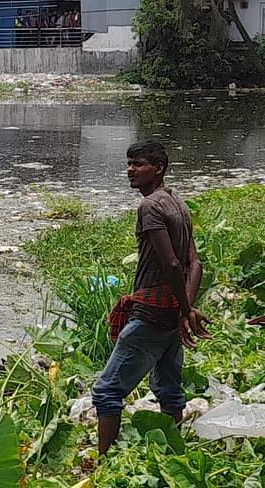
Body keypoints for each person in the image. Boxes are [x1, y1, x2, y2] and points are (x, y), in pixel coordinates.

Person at [91, 141, 211, 456]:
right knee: (169, 389)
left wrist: (184, 311)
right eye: (129, 164)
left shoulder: (150, 207)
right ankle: (174, 451)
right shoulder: (178, 203)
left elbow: (173, 263)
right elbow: (194, 263)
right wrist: (184, 311)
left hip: (152, 313)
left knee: (106, 393)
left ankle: (106, 464)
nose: (131, 170)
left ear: (158, 168)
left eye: (139, 164)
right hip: (171, 313)